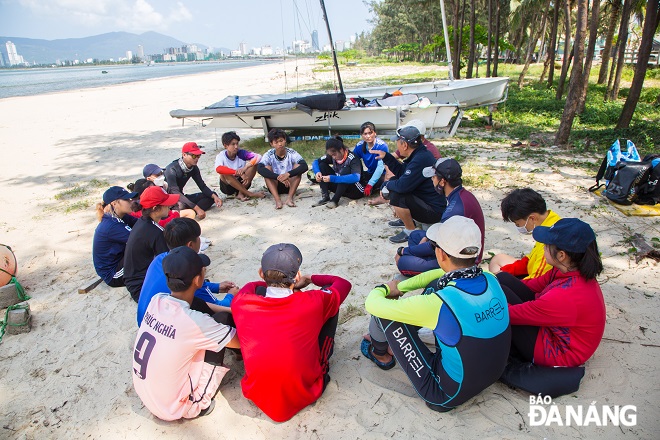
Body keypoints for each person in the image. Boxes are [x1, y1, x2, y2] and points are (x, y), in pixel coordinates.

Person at [362, 216, 511, 412]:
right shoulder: (491, 278)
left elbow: (372, 304)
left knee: (385, 314)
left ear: (440, 254)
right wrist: (402, 287)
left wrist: (385, 288)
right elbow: (437, 275)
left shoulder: (440, 303)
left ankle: (379, 353)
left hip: (446, 395)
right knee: (436, 286)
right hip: (493, 374)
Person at [231, 243, 351, 422]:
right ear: (297, 275)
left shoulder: (241, 302)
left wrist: (268, 281)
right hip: (306, 392)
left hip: (257, 393)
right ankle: (323, 364)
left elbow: (251, 286)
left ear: (261, 273)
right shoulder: (313, 301)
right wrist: (309, 279)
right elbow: (342, 284)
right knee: (332, 306)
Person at [132, 246, 240, 421]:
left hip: (147, 393)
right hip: (176, 407)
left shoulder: (157, 300)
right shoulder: (195, 323)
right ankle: (201, 403)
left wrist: (226, 307)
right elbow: (238, 342)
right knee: (221, 322)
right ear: (198, 280)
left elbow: (196, 304)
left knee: (211, 316)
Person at [496, 218, 605, 368]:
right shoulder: (566, 270)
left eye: (547, 246)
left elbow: (509, 314)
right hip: (553, 326)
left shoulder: (567, 296)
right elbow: (533, 285)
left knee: (498, 307)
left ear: (561, 255)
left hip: (557, 353)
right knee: (502, 280)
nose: (543, 248)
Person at [136, 218, 237, 326]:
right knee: (224, 317)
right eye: (198, 237)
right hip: (163, 325)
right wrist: (231, 295)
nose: (200, 240)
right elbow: (220, 306)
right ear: (190, 245)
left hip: (144, 321)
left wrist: (216, 287)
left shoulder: (160, 259)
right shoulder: (191, 273)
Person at [396, 158, 485, 276]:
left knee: (403, 262)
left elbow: (435, 245)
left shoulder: (454, 209)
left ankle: (428, 265)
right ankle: (422, 259)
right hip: (456, 246)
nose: (432, 180)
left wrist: (403, 251)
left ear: (442, 181)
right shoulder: (461, 196)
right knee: (415, 235)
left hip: (461, 261)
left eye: (434, 177)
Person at [369, 125, 446, 243]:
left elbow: (402, 186)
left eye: (398, 142)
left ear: (404, 145)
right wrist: (387, 157)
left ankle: (410, 230)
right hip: (427, 202)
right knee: (395, 182)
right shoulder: (420, 154)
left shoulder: (420, 159)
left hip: (433, 212)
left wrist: (386, 185)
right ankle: (408, 219)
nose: (397, 145)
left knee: (396, 193)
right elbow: (402, 173)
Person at [489, 188, 561, 279]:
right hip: (535, 272)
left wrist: (505, 279)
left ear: (532, 218)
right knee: (498, 260)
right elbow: (530, 260)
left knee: (501, 280)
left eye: (518, 224)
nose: (518, 227)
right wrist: (504, 270)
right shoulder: (550, 220)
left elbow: (537, 281)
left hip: (541, 285)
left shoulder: (548, 239)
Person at [123, 186, 180, 302]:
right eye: (166, 204)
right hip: (142, 289)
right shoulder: (155, 232)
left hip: (135, 282)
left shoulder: (143, 222)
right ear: (155, 208)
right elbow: (168, 264)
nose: (170, 206)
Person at [164, 142, 223, 220]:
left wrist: (214, 196)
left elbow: (202, 186)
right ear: (184, 155)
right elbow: (175, 192)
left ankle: (189, 213)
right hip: (171, 201)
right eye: (194, 156)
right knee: (181, 205)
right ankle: (188, 212)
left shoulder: (193, 168)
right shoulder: (171, 169)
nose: (197, 158)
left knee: (211, 196)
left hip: (181, 197)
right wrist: (197, 208)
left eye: (199, 156)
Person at [92, 186, 138, 287]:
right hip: (113, 274)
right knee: (143, 253)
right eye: (126, 199)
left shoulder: (120, 217)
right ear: (114, 203)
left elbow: (142, 226)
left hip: (120, 261)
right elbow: (140, 241)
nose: (131, 202)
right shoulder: (112, 225)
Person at [257, 128, 308, 209]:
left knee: (298, 166)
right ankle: (277, 200)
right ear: (272, 144)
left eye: (281, 141)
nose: (279, 144)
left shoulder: (291, 152)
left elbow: (304, 166)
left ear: (285, 140)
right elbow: (260, 168)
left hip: (289, 184)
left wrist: (288, 174)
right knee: (267, 168)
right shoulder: (269, 154)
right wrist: (278, 177)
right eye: (276, 142)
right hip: (275, 184)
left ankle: (289, 198)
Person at [311, 136, 365, 209]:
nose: (333, 157)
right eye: (331, 155)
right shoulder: (332, 156)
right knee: (321, 165)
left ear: (341, 150)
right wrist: (317, 172)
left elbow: (356, 177)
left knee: (346, 170)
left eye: (334, 154)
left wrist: (333, 178)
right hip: (341, 188)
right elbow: (316, 161)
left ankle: (335, 200)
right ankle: (325, 197)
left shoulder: (353, 158)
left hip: (355, 190)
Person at [214, 131, 266, 201]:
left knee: (254, 164)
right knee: (225, 171)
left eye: (237, 144)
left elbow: (258, 157)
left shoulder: (241, 153)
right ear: (226, 145)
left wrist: (245, 167)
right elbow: (218, 169)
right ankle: (249, 194)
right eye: (233, 144)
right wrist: (237, 172)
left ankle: (241, 193)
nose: (236, 147)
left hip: (243, 182)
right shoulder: (221, 156)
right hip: (228, 186)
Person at [128, 178, 196, 228]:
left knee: (190, 212)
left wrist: (173, 213)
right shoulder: (143, 214)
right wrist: (175, 214)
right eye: (152, 189)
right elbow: (161, 224)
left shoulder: (145, 206)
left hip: (161, 215)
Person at [352, 122, 388, 201]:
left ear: (375, 133)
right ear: (361, 135)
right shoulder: (359, 146)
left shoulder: (382, 146)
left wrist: (370, 184)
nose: (368, 136)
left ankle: (373, 187)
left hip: (382, 174)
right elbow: (353, 160)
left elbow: (380, 167)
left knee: (379, 183)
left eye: (370, 133)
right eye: (365, 134)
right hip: (369, 172)